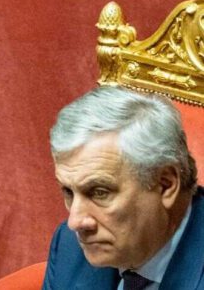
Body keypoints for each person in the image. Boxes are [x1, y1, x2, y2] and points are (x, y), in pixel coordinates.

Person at [43, 86, 204, 289]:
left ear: (165, 185)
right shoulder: (70, 249)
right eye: (68, 192)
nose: (75, 222)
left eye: (99, 193)